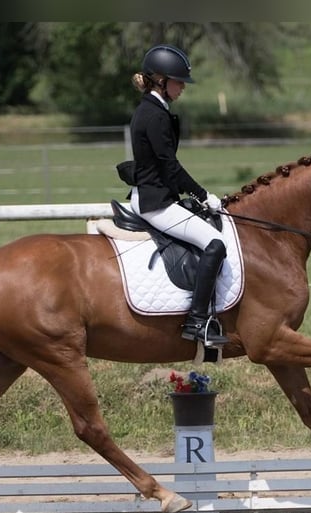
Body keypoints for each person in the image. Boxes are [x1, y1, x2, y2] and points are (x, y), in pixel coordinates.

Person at [126, 43, 228, 347]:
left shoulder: (154, 109)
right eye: (178, 81)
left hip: (154, 194)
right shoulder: (154, 115)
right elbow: (170, 166)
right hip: (155, 202)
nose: (182, 87)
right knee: (215, 242)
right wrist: (202, 194)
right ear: (161, 80)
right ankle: (197, 321)